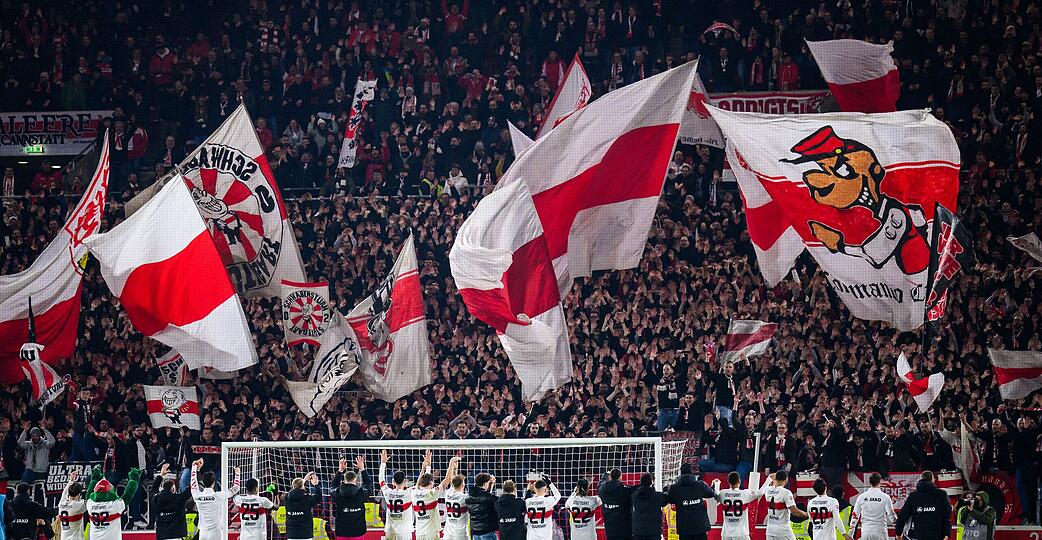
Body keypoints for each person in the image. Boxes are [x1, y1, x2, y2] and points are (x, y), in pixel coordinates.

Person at [85, 466, 142, 540]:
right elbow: (128, 493)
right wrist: (134, 479)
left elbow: (88, 494)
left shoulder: (90, 504)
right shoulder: (115, 505)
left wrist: (95, 478)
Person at [190, 459, 241, 540]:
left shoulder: (197, 496)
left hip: (203, 533)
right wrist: (237, 472)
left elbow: (193, 484)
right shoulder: (219, 496)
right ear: (213, 483)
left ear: (203, 481)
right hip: (216, 533)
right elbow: (236, 488)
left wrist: (195, 468)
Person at [413, 451, 459, 540]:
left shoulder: (414, 493)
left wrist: (425, 467)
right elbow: (448, 479)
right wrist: (451, 463)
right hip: (431, 532)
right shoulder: (432, 493)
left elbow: (418, 485)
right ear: (431, 482)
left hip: (419, 532)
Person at [666, 463, 719, 540]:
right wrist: (713, 486)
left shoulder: (674, 488)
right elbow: (711, 494)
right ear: (691, 472)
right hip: (700, 527)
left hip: (684, 529)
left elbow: (670, 500)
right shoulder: (700, 485)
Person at [895, 471, 951, 540]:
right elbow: (947, 515)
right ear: (932, 479)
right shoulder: (942, 494)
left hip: (919, 535)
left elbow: (903, 515)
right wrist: (947, 533)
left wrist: (898, 532)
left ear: (921, 479)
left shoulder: (913, 495)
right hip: (938, 535)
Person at [718, 471, 770, 540]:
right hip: (741, 533)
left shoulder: (722, 493)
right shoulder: (745, 494)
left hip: (726, 534)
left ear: (728, 482)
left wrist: (716, 484)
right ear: (739, 481)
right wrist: (769, 480)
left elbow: (715, 494)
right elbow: (760, 492)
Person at [332, 455, 372, 540]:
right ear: (356, 480)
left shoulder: (337, 493)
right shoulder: (361, 493)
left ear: (343, 480)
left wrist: (340, 470)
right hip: (358, 531)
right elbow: (368, 484)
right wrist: (362, 469)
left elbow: (332, 486)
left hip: (341, 531)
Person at [378, 450, 415, 540]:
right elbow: (422, 484)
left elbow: (381, 480)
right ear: (405, 481)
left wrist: (383, 463)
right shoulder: (409, 493)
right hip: (404, 531)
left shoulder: (388, 492)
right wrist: (426, 467)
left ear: (393, 482)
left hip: (390, 530)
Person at [152, 463, 194, 540]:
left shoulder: (156, 498)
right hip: (177, 535)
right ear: (173, 489)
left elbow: (153, 489)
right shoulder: (179, 498)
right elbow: (192, 488)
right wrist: (195, 470)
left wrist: (161, 474)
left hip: (162, 536)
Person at [763, 471, 808, 540]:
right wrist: (808, 515)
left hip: (770, 531)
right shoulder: (786, 492)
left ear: (776, 479)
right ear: (786, 479)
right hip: (783, 531)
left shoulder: (768, 490)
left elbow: (769, 478)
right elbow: (795, 512)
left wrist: (773, 476)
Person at [849, 473, 895, 540]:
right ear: (880, 482)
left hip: (866, 532)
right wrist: (898, 531)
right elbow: (892, 515)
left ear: (869, 482)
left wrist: (850, 534)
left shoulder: (861, 497)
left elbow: (855, 516)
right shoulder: (885, 497)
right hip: (881, 531)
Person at [599, 468, 636, 540]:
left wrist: (605, 474)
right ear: (620, 476)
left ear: (610, 476)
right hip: (625, 530)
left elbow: (601, 482)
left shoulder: (601, 489)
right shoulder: (625, 491)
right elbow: (637, 488)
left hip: (610, 531)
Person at [284, 472, 321, 540]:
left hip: (291, 534)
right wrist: (316, 484)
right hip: (305, 534)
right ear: (303, 486)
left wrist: (304, 480)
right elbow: (318, 497)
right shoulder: (307, 499)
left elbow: (294, 490)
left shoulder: (287, 498)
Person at [631, 473, 668, 540]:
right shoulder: (658, 496)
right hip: (654, 532)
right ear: (652, 482)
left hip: (638, 531)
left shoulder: (634, 496)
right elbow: (666, 500)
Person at [525, 475, 562, 540]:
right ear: (545, 489)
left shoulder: (528, 501)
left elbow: (526, 498)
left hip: (531, 537)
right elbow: (558, 495)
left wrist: (528, 490)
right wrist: (550, 483)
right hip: (545, 537)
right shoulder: (548, 500)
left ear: (534, 489)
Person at [466, 472, 498, 540]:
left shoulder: (469, 497)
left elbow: (484, 497)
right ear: (485, 483)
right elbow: (490, 499)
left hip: (475, 532)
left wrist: (491, 484)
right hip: (487, 531)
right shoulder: (489, 498)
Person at [57, 470, 87, 540]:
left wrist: (70, 480)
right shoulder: (79, 505)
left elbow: (64, 493)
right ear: (79, 495)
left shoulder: (61, 504)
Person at [444, 470, 471, 540]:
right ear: (462, 485)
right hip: (460, 533)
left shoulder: (447, 494)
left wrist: (453, 466)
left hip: (448, 533)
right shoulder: (465, 497)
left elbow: (453, 482)